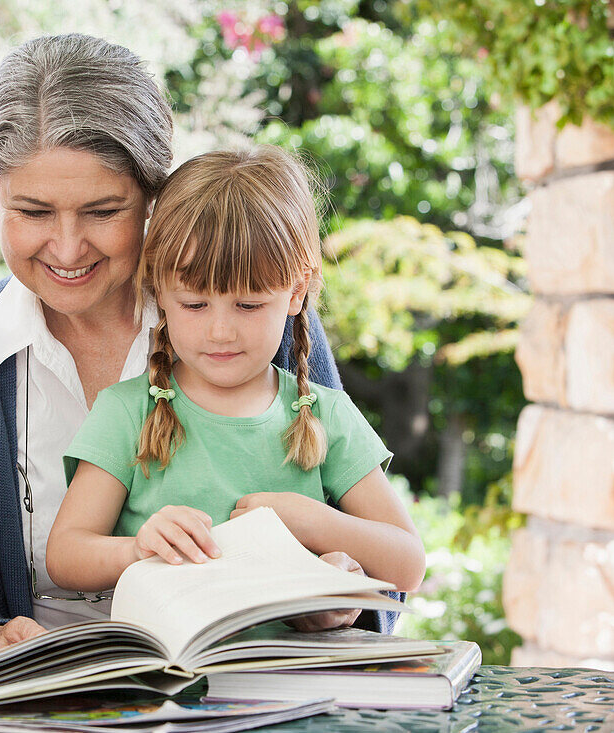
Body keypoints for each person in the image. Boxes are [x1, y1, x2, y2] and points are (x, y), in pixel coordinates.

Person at [0, 33, 367, 661]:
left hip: (236, 685)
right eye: (32, 211)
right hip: (43, 695)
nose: (68, 246)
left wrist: (338, 599)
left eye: (102, 211)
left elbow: (364, 550)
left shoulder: (248, 325)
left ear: (153, 199)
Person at [46, 148, 425, 604]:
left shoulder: (326, 415)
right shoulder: (127, 412)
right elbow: (65, 555)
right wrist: (138, 547)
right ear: (158, 290)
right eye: (194, 304)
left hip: (292, 671)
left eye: (248, 305)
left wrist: (315, 531)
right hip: (167, 670)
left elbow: (408, 565)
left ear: (296, 291)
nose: (220, 331)